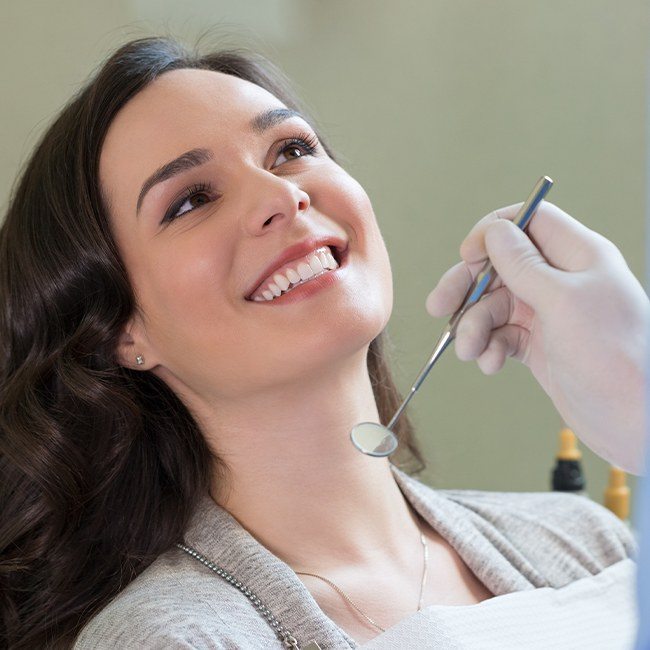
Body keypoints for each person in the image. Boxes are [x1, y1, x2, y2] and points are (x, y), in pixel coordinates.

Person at [0, 35, 644, 650]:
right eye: (191, 200)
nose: (282, 194)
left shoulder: (591, 544)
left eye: (289, 149)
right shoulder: (170, 638)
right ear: (122, 332)